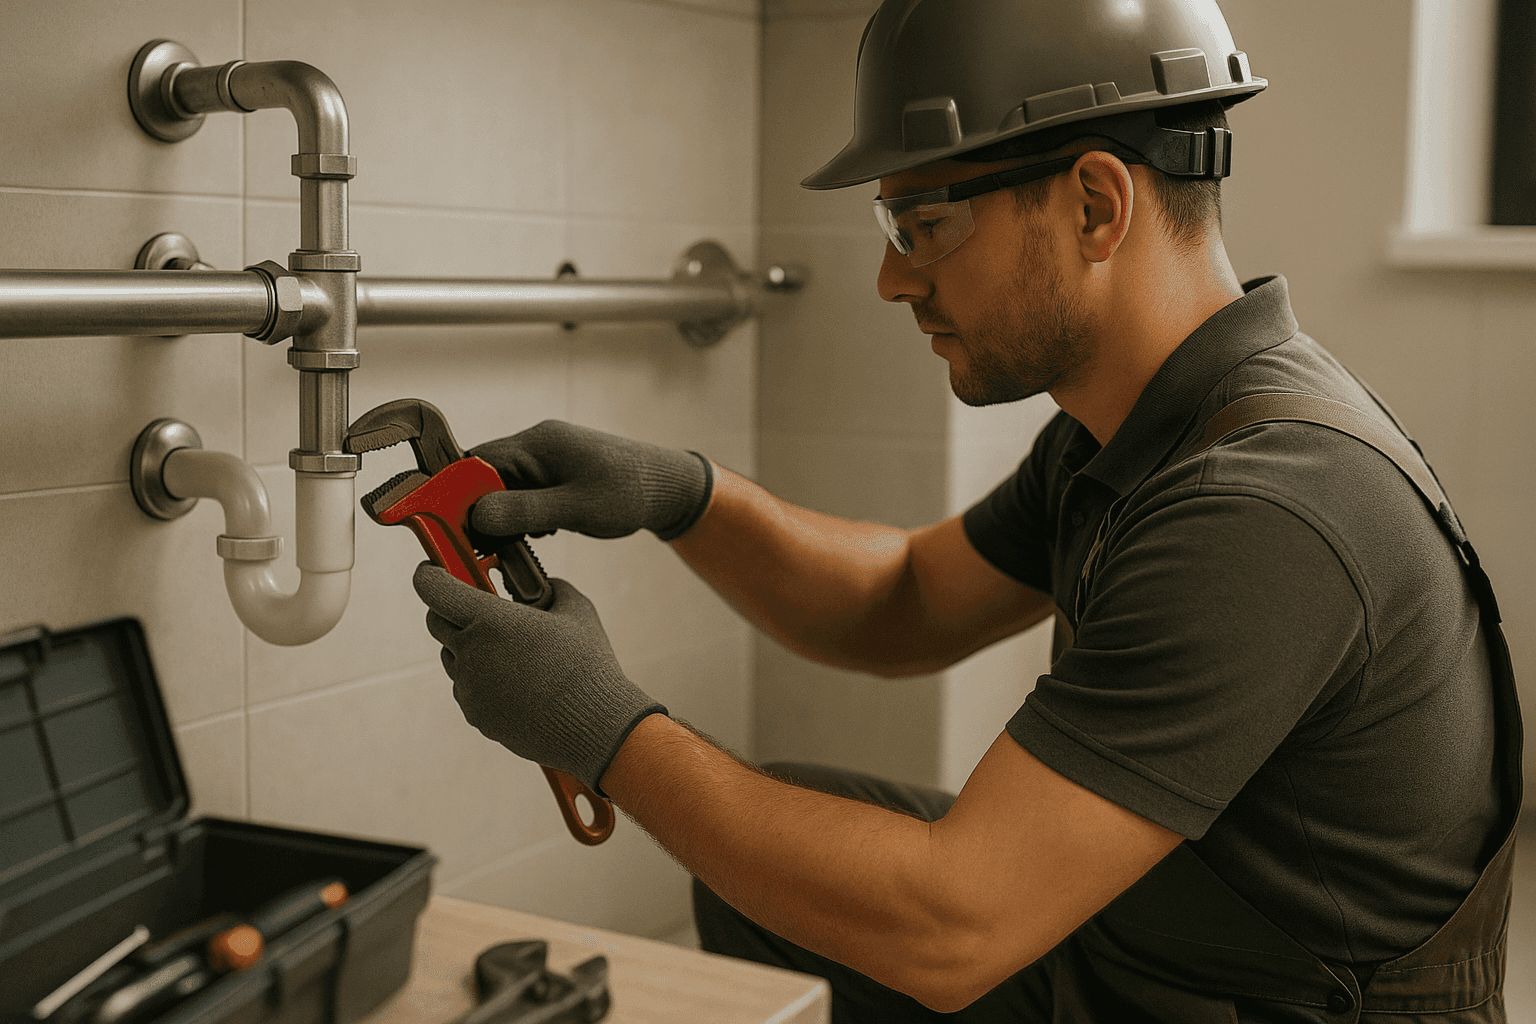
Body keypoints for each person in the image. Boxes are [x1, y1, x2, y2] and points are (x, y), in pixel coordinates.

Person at [411, 0, 1522, 1019]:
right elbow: (905, 601)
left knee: (887, 901)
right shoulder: (1133, 423)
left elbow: (953, 924)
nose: (894, 283)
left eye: (922, 226)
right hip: (1152, 963)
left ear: (1096, 204)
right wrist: (681, 496)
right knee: (771, 872)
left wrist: (599, 727)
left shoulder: (1268, 509)